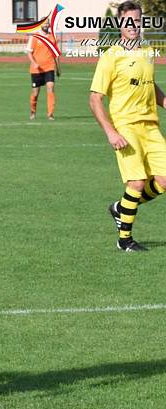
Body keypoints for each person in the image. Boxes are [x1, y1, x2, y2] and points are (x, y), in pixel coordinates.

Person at [89, 1, 166, 252]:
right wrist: (111, 132)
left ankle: (121, 208)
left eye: (137, 19)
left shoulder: (147, 50)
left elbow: (150, 86)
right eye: (128, 20)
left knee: (164, 180)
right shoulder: (111, 56)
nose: (133, 25)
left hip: (151, 125)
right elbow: (94, 98)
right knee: (137, 183)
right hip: (126, 126)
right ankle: (125, 240)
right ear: (120, 23)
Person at [26, 19, 59, 120]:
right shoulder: (35, 36)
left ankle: (50, 114)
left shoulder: (53, 37)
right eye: (44, 23)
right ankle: (32, 111)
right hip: (36, 70)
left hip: (49, 68)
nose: (46, 25)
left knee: (50, 87)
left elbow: (56, 54)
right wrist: (34, 63)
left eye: (47, 23)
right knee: (35, 93)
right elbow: (29, 52)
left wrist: (58, 68)